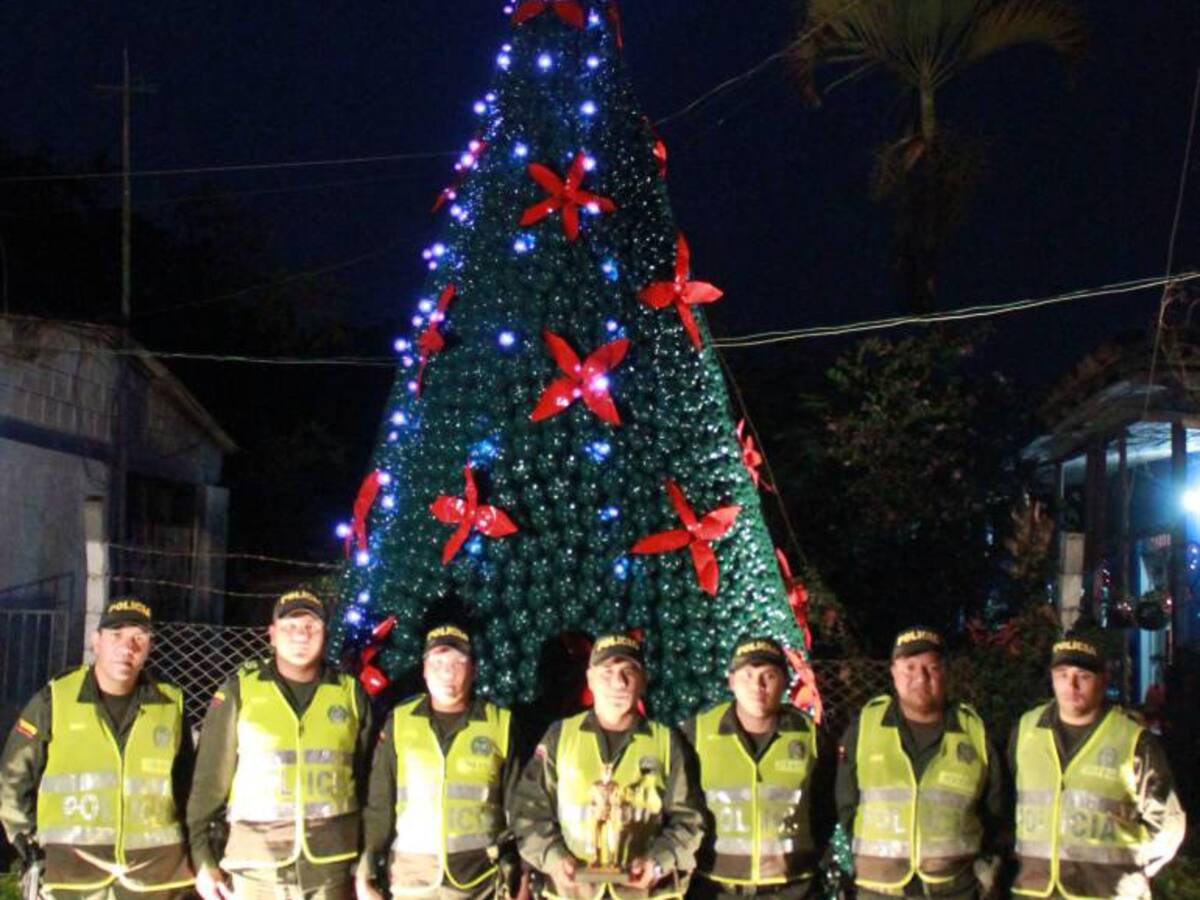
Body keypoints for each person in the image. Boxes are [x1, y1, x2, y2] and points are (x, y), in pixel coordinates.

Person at [0, 597, 195, 899]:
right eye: (116, 635)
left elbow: (188, 788)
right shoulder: (56, 699)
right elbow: (13, 777)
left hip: (154, 878)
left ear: (149, 646)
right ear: (96, 642)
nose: (126, 647)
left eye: (138, 638)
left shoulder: (170, 705)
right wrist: (26, 843)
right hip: (72, 875)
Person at [188, 589, 374, 900]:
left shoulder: (350, 694)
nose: (301, 635)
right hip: (257, 866)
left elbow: (369, 784)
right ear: (272, 635)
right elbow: (208, 783)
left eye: (311, 627)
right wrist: (203, 859)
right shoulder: (240, 691)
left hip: (331, 865)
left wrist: (367, 861)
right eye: (290, 627)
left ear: (325, 634)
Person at [510, 633, 704, 900]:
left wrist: (657, 862)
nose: (619, 682)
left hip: (643, 894)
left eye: (629, 671)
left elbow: (689, 820)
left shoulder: (667, 743)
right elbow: (528, 811)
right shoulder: (560, 737)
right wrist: (554, 858)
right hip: (572, 893)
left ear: (643, 680)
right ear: (590, 679)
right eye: (607, 672)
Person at [1010, 634, 1186, 899]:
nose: (1071, 685)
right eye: (1062, 674)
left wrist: (1129, 872)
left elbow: (1168, 825)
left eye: (1083, 676)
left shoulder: (1132, 740)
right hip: (1033, 891)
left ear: (1103, 680)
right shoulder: (1026, 729)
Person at [836, 627, 1006, 899]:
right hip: (878, 892)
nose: (921, 678)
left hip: (954, 891)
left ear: (945, 673)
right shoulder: (864, 729)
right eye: (909, 668)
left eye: (931, 668)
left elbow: (995, 813)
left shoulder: (976, 734)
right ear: (893, 673)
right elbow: (845, 804)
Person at [356, 625, 521, 900]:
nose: (448, 672)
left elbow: (518, 807)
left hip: (478, 879)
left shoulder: (499, 724)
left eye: (459, 662)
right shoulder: (400, 722)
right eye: (438, 661)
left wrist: (523, 874)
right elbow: (380, 803)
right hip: (412, 878)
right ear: (423, 668)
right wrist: (367, 868)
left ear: (474, 670)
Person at [682, 637, 830, 900]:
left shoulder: (810, 736)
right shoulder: (698, 734)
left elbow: (826, 808)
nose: (758, 686)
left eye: (769, 676)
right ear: (731, 681)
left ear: (785, 682)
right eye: (747, 676)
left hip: (793, 889)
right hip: (715, 889)